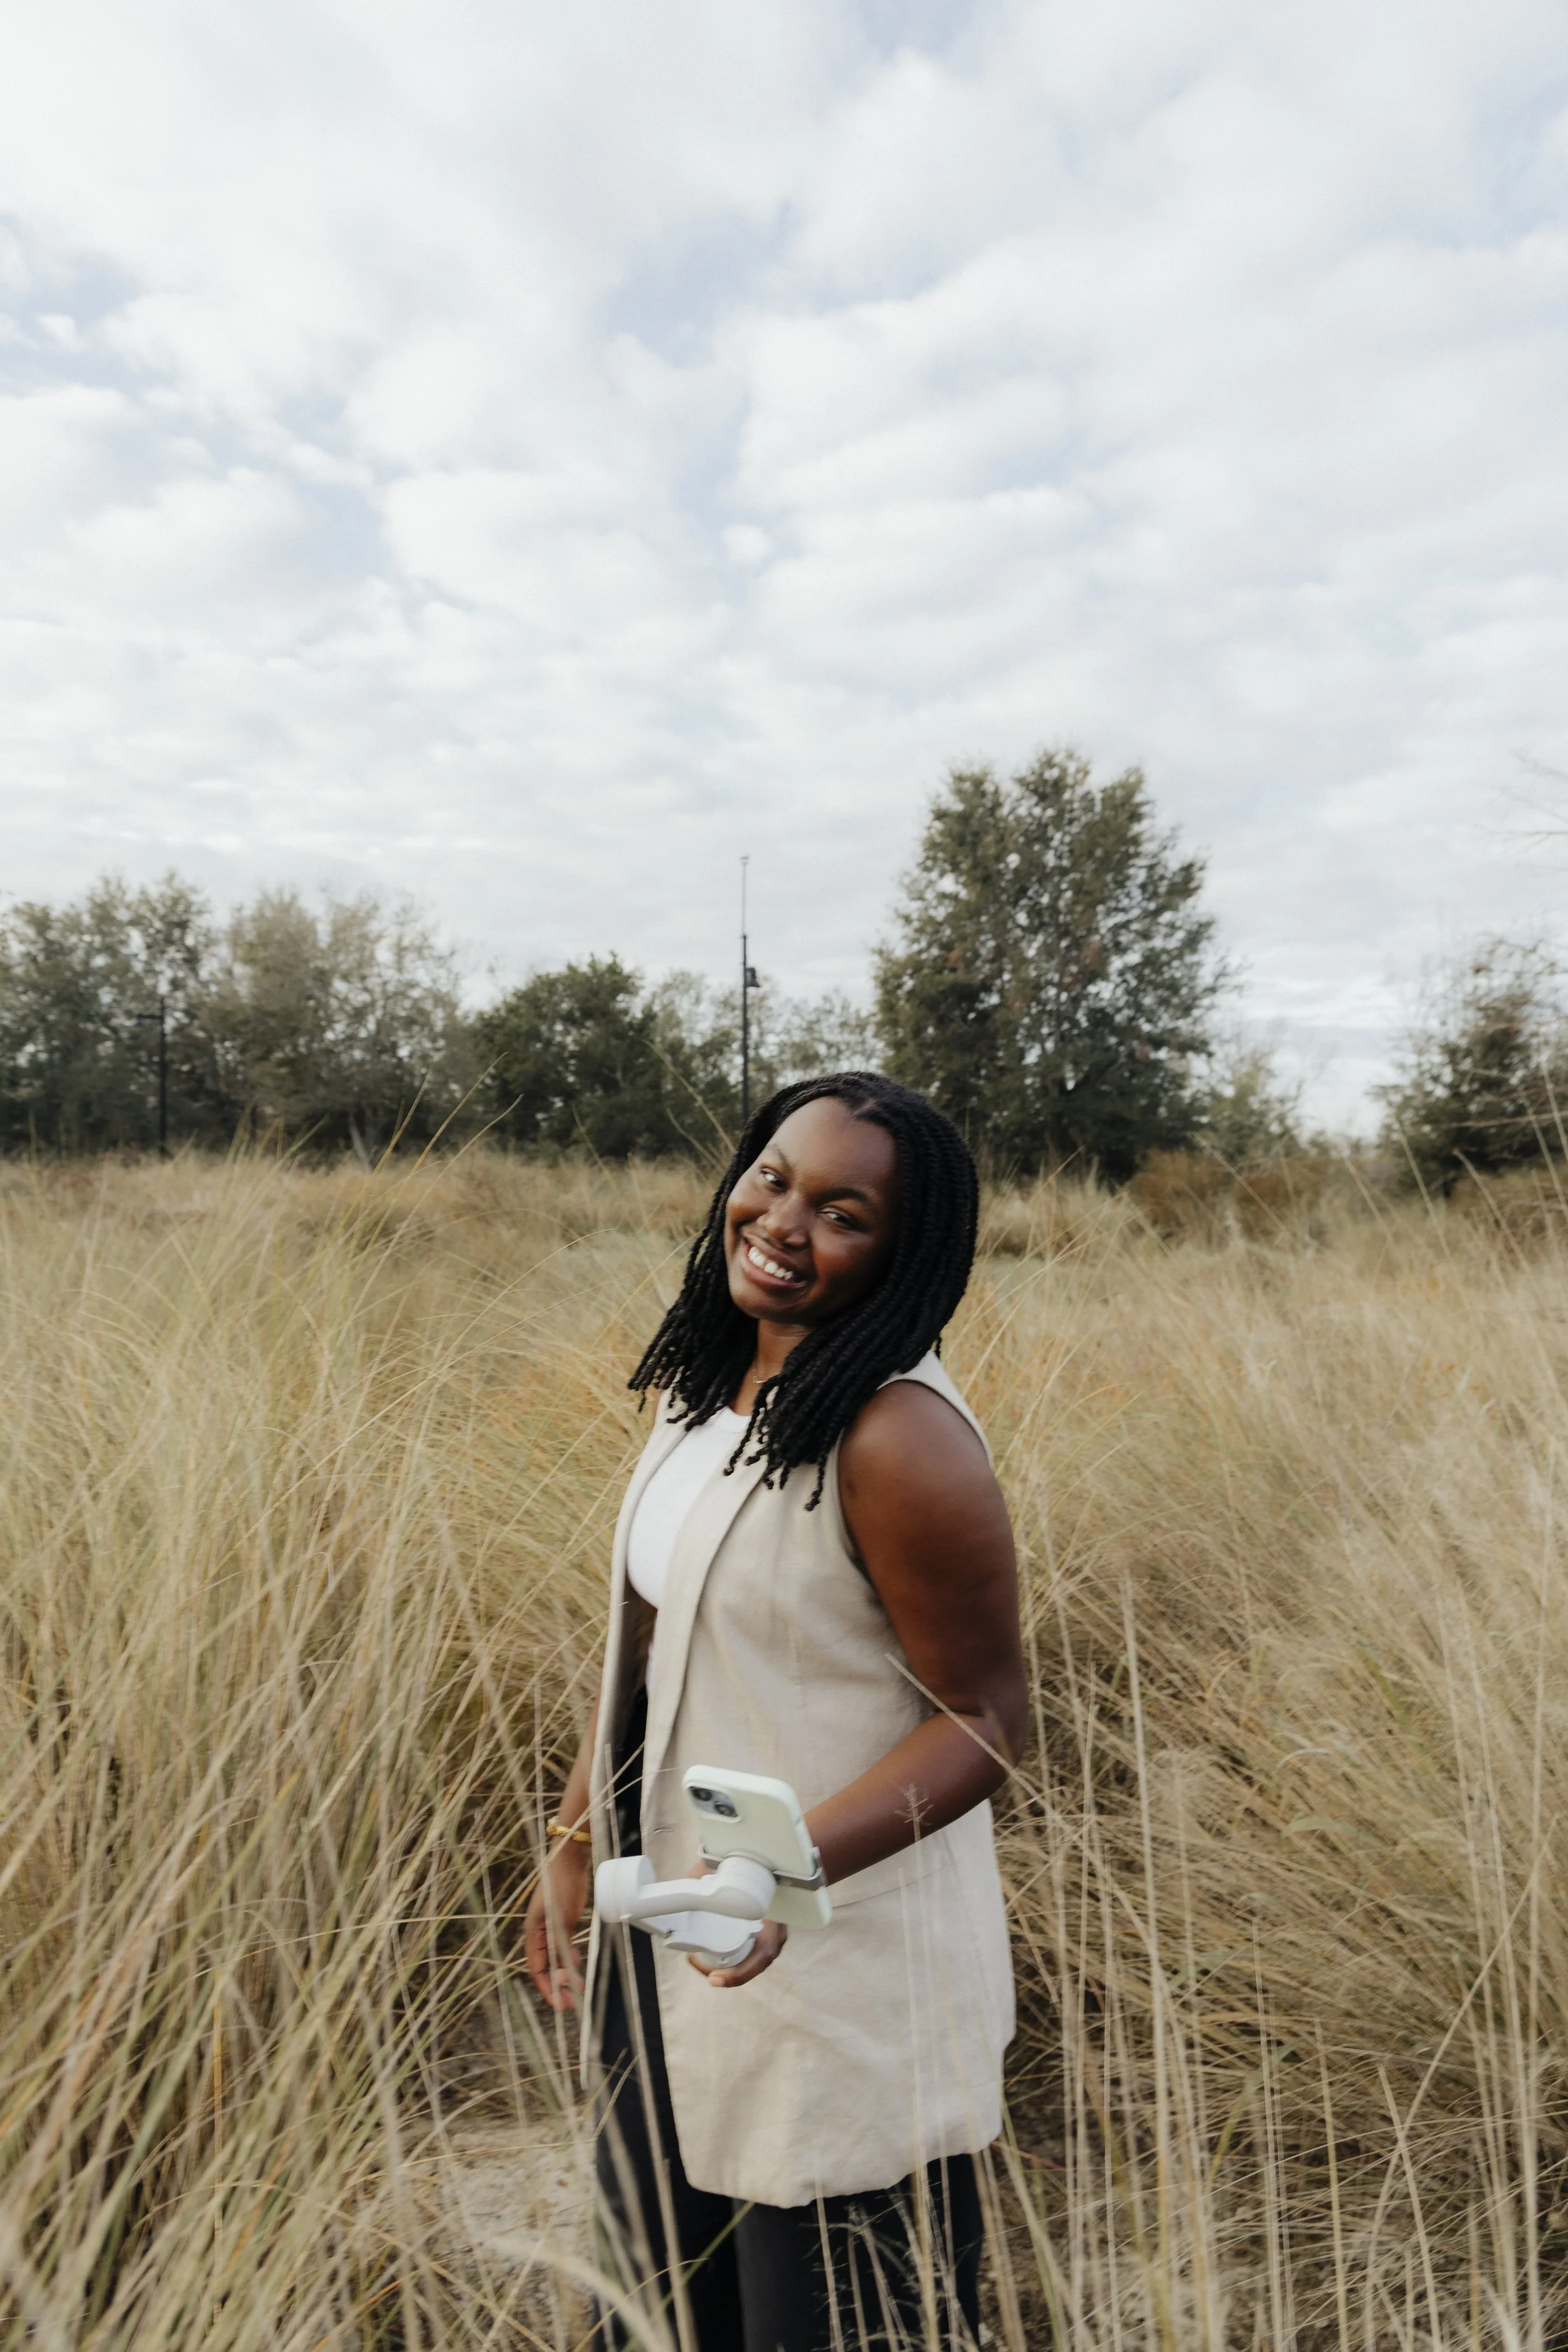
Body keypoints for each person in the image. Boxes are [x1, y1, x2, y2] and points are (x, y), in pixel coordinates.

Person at [524, 1073, 1026, 2351]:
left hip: (830, 1954)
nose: (782, 1223)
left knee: (828, 2306)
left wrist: (776, 1865)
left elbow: (982, 1721)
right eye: (772, 1177)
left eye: (841, 1212)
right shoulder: (701, 1389)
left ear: (900, 1252)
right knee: (663, 2293)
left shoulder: (898, 1438)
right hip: (677, 1929)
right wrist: (577, 1843)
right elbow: (642, 1656)